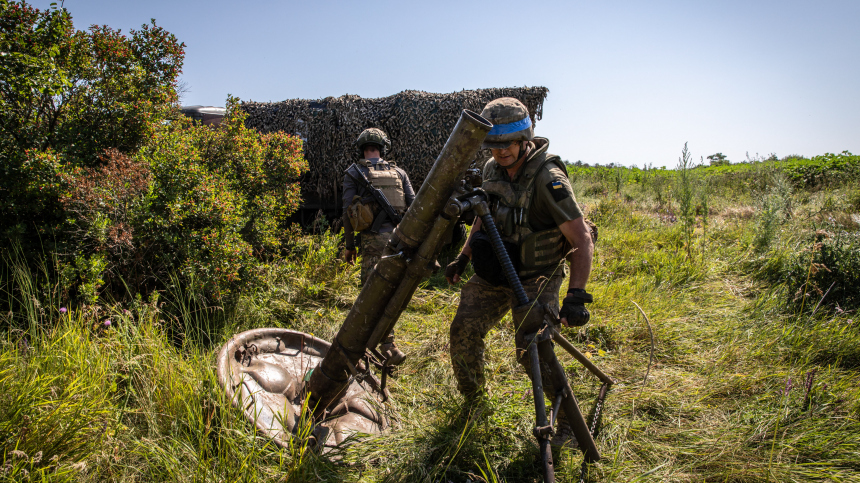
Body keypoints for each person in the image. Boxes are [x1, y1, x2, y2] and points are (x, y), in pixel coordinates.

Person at [444, 98, 594, 450]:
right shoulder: (491, 170)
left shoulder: (548, 177)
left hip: (536, 276)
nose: (500, 153)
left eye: (507, 144)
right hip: (497, 269)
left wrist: (577, 297)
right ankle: (474, 402)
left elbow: (581, 237)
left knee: (533, 349)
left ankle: (570, 427)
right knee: (463, 329)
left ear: (525, 137)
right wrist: (464, 257)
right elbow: (484, 216)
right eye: (492, 145)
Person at [342, 127, 415, 365]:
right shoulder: (399, 172)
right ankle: (387, 342)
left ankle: (373, 344)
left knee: (370, 294)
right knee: (393, 293)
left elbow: (347, 213)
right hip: (399, 240)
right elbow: (414, 206)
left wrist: (350, 246)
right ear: (383, 148)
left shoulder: (353, 173)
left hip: (373, 242)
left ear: (362, 148)